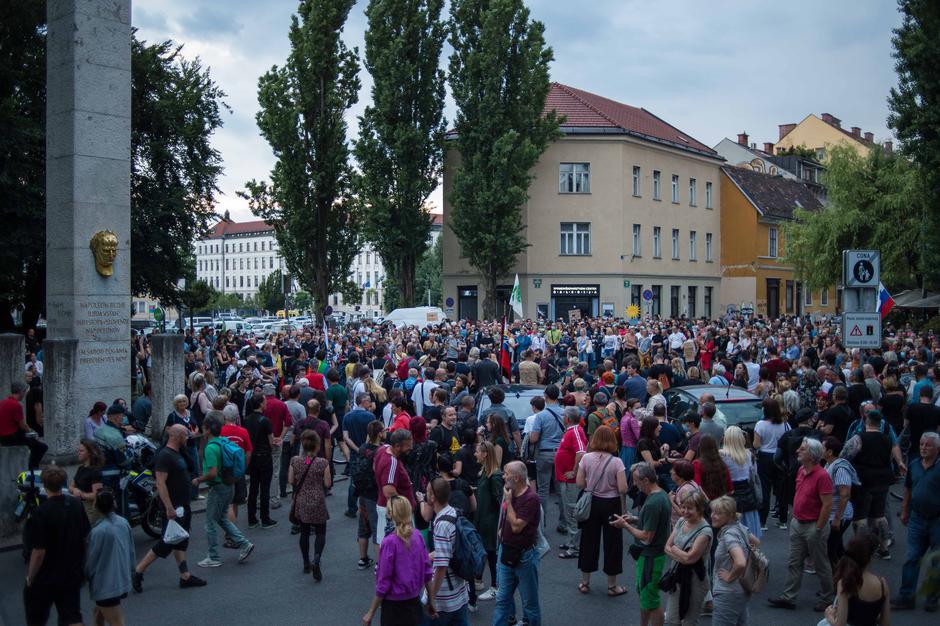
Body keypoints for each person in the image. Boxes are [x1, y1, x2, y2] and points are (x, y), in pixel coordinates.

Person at [132, 424, 206, 593]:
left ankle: (185, 576)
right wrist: (169, 507)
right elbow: (160, 483)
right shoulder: (165, 456)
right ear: (177, 436)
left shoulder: (178, 453)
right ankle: (138, 570)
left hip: (183, 505)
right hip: (174, 507)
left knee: (180, 539)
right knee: (167, 542)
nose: (187, 438)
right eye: (185, 435)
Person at [768, 438, 835, 612]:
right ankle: (788, 597)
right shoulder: (800, 470)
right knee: (794, 562)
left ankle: (828, 598)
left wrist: (818, 528)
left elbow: (827, 505)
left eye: (802, 449)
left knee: (820, 564)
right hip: (798, 523)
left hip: (813, 526)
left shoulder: (822, 476)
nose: (797, 451)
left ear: (812, 455)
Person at [22, 465, 91, 626]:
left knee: (36, 618)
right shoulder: (76, 505)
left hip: (45, 577)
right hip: (71, 573)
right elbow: (86, 537)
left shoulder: (40, 512)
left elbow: (39, 551)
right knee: (72, 617)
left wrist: (30, 577)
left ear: (44, 484)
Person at [613, 462, 672, 626]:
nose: (634, 484)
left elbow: (646, 537)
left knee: (650, 598)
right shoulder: (660, 495)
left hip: (650, 557)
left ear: (646, 480)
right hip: (651, 556)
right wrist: (634, 519)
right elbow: (653, 524)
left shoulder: (653, 502)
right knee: (645, 596)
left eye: (636, 481)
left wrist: (625, 526)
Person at [193, 412, 254, 568]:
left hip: (218, 487)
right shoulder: (223, 441)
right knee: (221, 518)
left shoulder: (210, 448)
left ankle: (213, 556)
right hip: (229, 484)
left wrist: (198, 480)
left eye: (203, 428)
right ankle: (244, 543)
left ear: (208, 429)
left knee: (209, 523)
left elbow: (212, 473)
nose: (202, 430)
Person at [362, 495, 435, 626]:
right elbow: (427, 572)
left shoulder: (389, 542)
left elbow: (384, 581)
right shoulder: (417, 535)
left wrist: (370, 612)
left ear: (390, 515)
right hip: (414, 603)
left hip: (393, 608)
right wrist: (432, 600)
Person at [575, 425, 629, 597]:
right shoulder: (616, 462)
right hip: (611, 503)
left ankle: (585, 582)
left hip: (592, 502)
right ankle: (612, 585)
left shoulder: (586, 458)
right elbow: (623, 488)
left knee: (588, 541)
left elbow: (579, 483)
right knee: (613, 543)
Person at [892, 431, 940, 612]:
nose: (923, 448)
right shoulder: (914, 465)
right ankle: (906, 596)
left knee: (937, 562)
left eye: (928, 445)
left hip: (937, 521)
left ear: (938, 449)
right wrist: (905, 510)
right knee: (912, 558)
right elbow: (908, 489)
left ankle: (932, 598)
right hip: (917, 519)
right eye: (921, 444)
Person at [493, 461, 542, 626]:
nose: (503, 476)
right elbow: (505, 518)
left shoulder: (531, 498)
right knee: (502, 599)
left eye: (506, 473)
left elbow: (516, 527)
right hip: (506, 551)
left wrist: (508, 501)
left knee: (529, 603)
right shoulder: (511, 491)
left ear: (516, 478)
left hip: (524, 556)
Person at [841, 409, 894, 559]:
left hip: (863, 480)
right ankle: (884, 548)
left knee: (860, 516)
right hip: (882, 480)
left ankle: (861, 549)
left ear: (866, 422)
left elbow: (845, 455)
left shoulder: (859, 438)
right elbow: (889, 458)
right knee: (879, 515)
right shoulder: (887, 439)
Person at [84, 489, 135, 626]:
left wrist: (86, 575)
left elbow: (91, 560)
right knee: (98, 614)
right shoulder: (123, 523)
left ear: (96, 506)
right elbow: (131, 550)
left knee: (116, 622)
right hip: (121, 579)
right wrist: (131, 571)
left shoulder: (98, 531)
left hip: (105, 584)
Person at [663, 490, 713, 626]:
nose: (685, 511)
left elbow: (690, 559)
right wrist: (680, 554)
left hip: (696, 581)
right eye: (683, 507)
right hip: (678, 576)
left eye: (690, 508)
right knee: (672, 619)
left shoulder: (705, 531)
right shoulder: (681, 521)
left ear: (700, 508)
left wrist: (674, 550)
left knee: (689, 622)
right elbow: (666, 547)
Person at [425, 477, 470, 625]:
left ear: (433, 497)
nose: (425, 495)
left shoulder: (441, 525)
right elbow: (448, 549)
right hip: (460, 590)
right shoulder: (453, 512)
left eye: (427, 492)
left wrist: (432, 598)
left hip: (445, 598)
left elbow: (441, 566)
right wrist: (429, 556)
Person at [289, 429, 332, 581]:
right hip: (318, 500)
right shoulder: (323, 463)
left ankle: (306, 562)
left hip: (302, 500)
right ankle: (317, 558)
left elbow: (290, 480)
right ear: (317, 445)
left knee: (304, 532)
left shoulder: (295, 461)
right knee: (320, 532)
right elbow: (327, 483)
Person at [824, 532, 891, 626]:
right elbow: (885, 623)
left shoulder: (846, 583)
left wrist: (830, 616)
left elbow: (840, 624)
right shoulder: (882, 583)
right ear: (870, 558)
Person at [710, 495, 757, 626]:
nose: (712, 516)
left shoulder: (729, 535)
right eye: (713, 511)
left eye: (718, 513)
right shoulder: (740, 527)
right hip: (741, 590)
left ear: (730, 515)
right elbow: (756, 542)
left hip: (727, 593)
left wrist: (729, 576)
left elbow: (740, 562)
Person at [528, 384, 566, 533]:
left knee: (543, 490)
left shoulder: (541, 416)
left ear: (545, 396)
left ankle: (541, 525)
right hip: (561, 453)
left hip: (544, 453)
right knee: (560, 489)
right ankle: (564, 522)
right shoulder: (565, 413)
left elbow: (534, 438)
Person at [753, 397, 789, 530]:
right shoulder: (785, 424)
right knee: (781, 489)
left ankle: (762, 521)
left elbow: (756, 445)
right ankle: (783, 520)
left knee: (765, 489)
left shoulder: (760, 425)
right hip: (780, 457)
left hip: (765, 457)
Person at [719, 426, 762, 539]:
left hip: (729, 495)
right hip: (748, 495)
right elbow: (753, 475)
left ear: (726, 438)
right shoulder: (749, 454)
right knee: (750, 534)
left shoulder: (721, 455)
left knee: (730, 533)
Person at [556, 406, 587, 559]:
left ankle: (575, 547)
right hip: (566, 479)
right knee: (569, 511)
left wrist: (574, 471)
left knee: (572, 511)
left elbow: (581, 452)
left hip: (571, 480)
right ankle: (571, 541)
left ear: (567, 418)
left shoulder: (575, 431)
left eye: (564, 416)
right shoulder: (571, 430)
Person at [473, 440, 503, 603]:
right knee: (486, 551)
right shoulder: (485, 472)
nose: (475, 454)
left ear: (485, 454)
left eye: (478, 451)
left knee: (491, 553)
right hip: (483, 519)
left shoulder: (494, 475)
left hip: (490, 522)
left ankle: (495, 586)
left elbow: (499, 501)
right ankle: (480, 580)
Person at [375, 429, 416, 544]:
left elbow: (374, 467)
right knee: (399, 545)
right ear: (397, 446)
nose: (411, 448)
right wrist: (403, 512)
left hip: (386, 508)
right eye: (408, 446)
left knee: (385, 543)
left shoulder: (383, 449)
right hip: (395, 514)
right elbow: (389, 491)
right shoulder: (392, 462)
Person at [243, 394, 278, 529]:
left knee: (253, 487)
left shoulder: (246, 420)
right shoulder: (265, 421)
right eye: (264, 402)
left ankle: (251, 518)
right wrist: (273, 446)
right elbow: (270, 440)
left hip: (252, 456)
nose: (266, 403)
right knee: (264, 488)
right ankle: (265, 518)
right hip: (264, 456)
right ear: (260, 404)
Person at [355, 420, 385, 570]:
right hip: (374, 493)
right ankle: (379, 564)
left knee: (363, 526)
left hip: (362, 492)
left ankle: (363, 558)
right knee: (377, 528)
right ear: (379, 434)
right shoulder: (380, 451)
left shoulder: (362, 448)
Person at [0, 381, 48, 469]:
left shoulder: (2, 402)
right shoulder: (16, 405)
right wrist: (32, 432)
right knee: (42, 447)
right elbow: (23, 425)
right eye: (24, 392)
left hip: (3, 437)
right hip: (12, 437)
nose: (24, 394)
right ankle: (32, 467)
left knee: (34, 443)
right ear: (20, 392)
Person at [70, 439, 105, 525]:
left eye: (81, 451)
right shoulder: (81, 468)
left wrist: (81, 494)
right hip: (78, 506)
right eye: (78, 450)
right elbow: (71, 486)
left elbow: (96, 495)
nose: (78, 453)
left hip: (89, 509)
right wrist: (74, 490)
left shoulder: (95, 471)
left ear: (90, 453)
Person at [692, 435, 731, 501]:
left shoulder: (697, 464)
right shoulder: (722, 463)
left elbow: (697, 486)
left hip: (707, 502)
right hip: (722, 501)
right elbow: (730, 489)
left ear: (700, 447)